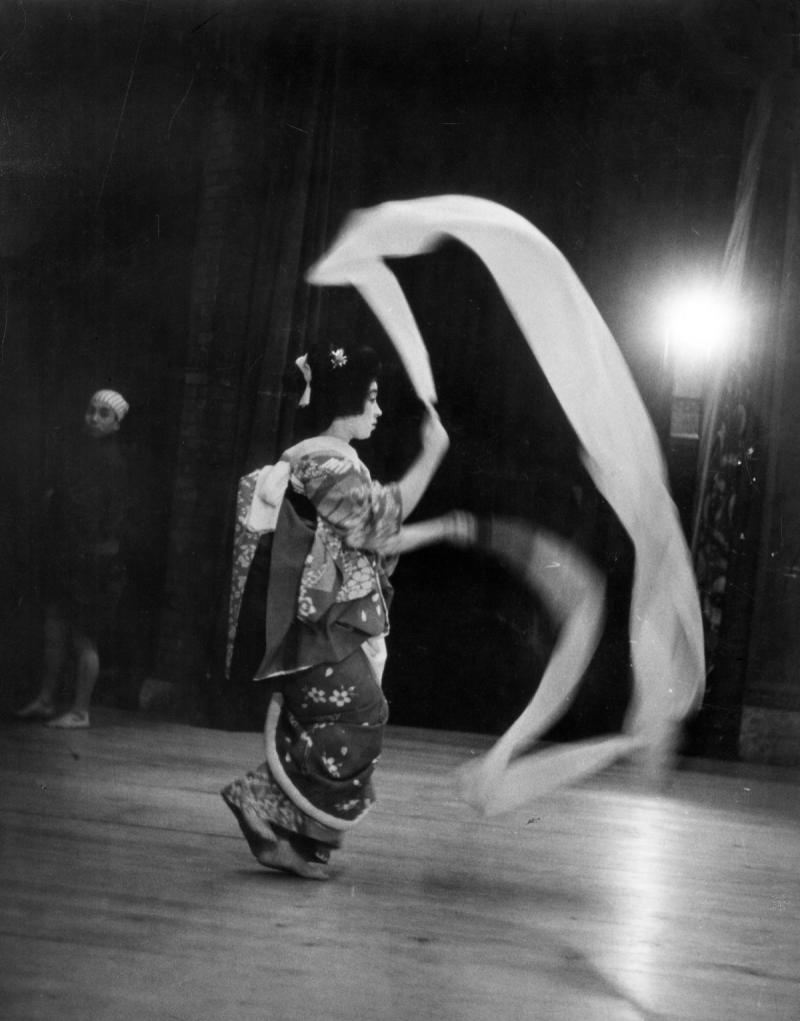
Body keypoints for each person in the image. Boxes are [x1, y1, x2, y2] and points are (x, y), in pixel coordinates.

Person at [221, 343, 468, 880]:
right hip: (316, 628)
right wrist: (433, 455)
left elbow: (372, 534)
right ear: (346, 400)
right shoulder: (325, 462)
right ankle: (260, 799)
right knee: (361, 717)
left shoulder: (329, 463)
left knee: (338, 718)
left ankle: (299, 838)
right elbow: (379, 524)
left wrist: (442, 528)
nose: (378, 412)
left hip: (324, 623)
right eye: (372, 399)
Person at [14, 388, 130, 729]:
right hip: (68, 555)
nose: (94, 417)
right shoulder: (79, 454)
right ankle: (46, 699)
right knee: (54, 627)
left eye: (103, 414)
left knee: (83, 634)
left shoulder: (114, 462)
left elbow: (110, 515)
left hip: (92, 560)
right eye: (91, 410)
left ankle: (80, 711)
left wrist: (94, 546)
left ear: (116, 424)